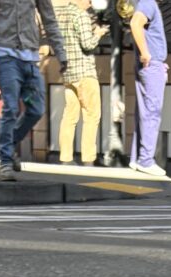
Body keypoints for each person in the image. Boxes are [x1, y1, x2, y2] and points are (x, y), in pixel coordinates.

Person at [0, 0, 67, 179]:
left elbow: (49, 19)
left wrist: (61, 53)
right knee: (10, 107)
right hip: (6, 58)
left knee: (36, 109)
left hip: (31, 59)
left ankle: (7, 145)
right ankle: (5, 163)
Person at [120, 0, 167, 176]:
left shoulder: (143, 3)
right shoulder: (148, 3)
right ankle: (146, 160)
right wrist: (147, 54)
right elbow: (135, 23)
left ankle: (137, 158)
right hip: (152, 64)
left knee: (144, 112)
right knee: (152, 112)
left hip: (150, 64)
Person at [58, 0, 105, 165]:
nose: (91, 4)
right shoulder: (81, 15)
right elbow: (87, 44)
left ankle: (65, 158)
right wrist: (98, 34)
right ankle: (88, 159)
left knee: (69, 117)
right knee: (92, 116)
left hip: (69, 74)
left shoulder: (62, 15)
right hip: (85, 73)